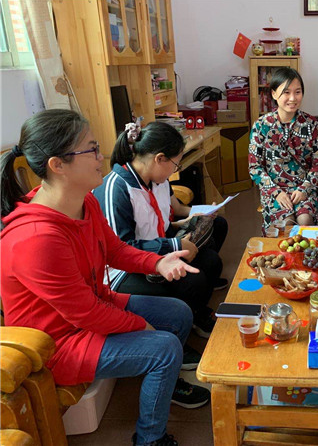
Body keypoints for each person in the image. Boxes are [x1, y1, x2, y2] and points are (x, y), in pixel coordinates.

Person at [0, 109, 210, 446]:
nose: (102, 157)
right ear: (58, 165)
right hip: (58, 342)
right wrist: (141, 326)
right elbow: (85, 314)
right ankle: (150, 438)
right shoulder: (36, 238)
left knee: (178, 313)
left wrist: (157, 263)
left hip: (93, 308)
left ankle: (163, 385)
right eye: (92, 149)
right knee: (166, 348)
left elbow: (114, 250)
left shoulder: (85, 202)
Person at [93, 121, 228, 342]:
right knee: (193, 281)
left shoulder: (156, 179)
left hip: (154, 250)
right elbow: (121, 249)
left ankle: (194, 312)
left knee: (211, 261)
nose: (176, 170)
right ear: (159, 159)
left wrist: (184, 227)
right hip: (123, 271)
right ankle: (182, 327)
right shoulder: (118, 188)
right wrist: (175, 245)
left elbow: (158, 221)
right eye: (175, 164)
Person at [248, 67, 318, 233]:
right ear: (274, 94)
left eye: (297, 92)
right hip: (275, 190)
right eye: (286, 92)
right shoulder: (261, 126)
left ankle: (308, 250)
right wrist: (276, 192)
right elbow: (255, 167)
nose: (292, 98)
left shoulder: (311, 124)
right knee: (286, 223)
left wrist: (305, 188)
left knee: (305, 221)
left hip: (304, 188)